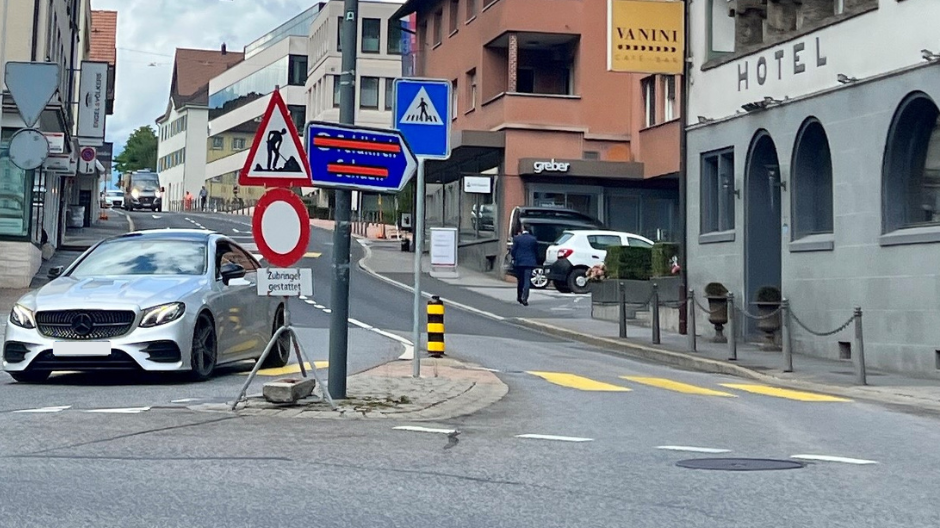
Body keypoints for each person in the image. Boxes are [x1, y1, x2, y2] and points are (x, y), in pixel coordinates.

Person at [510, 228, 540, 306]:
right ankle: (525, 298)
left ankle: (519, 296)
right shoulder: (533, 239)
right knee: (527, 280)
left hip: (519, 262)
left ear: (522, 230)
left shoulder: (517, 238)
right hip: (530, 262)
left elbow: (513, 250)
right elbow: (536, 251)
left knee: (520, 280)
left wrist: (514, 257)